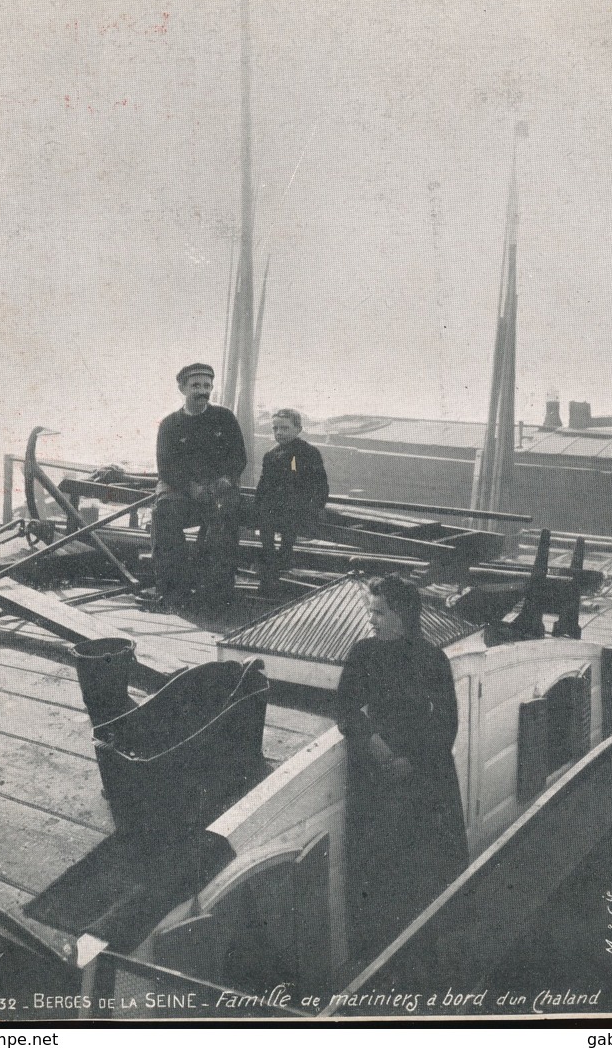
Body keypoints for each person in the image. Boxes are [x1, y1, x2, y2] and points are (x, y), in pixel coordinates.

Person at [335, 575, 469, 961]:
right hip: (376, 776)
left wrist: (411, 761)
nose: (371, 620)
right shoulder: (362, 654)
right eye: (369, 611)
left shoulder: (431, 659)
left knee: (419, 867)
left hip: (422, 778)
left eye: (378, 612)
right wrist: (378, 749)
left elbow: (447, 724)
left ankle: (421, 950)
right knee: (377, 867)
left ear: (401, 614)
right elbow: (345, 709)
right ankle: (377, 952)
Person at [152, 363, 246, 609]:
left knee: (225, 518)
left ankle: (215, 591)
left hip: (219, 489)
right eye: (196, 386)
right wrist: (193, 489)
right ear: (182, 389)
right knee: (163, 514)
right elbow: (166, 468)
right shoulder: (170, 425)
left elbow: (238, 459)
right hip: (183, 490)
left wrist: (222, 484)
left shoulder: (224, 418)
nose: (202, 391)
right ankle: (173, 588)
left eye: (207, 386)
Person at [253, 409, 329, 592]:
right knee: (266, 528)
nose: (279, 432)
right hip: (274, 507)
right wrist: (258, 505)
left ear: (298, 429)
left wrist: (316, 506)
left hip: (298, 506)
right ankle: (269, 562)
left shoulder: (308, 453)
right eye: (275, 428)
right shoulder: (271, 455)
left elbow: (320, 484)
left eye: (285, 428)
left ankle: (283, 559)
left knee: (288, 527)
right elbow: (264, 484)